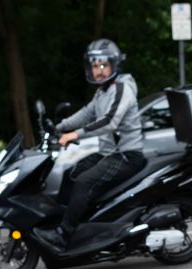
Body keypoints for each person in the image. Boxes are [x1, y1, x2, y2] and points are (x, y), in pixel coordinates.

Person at [41, 38, 146, 248]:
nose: (98, 70)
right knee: (70, 174)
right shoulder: (103, 90)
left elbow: (109, 121)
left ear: (114, 64)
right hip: (108, 154)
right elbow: (87, 114)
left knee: (84, 182)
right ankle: (65, 219)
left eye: (103, 65)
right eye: (94, 66)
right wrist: (59, 127)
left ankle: (64, 234)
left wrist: (75, 135)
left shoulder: (122, 88)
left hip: (126, 156)